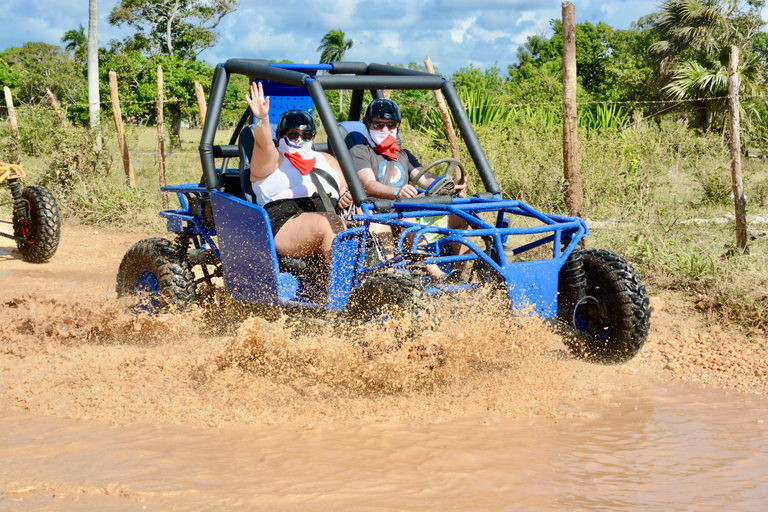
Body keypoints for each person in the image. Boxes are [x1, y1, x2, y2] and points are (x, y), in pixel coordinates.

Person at [349, 98, 468, 282]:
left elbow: (427, 180)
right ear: (368, 125)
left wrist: (451, 186)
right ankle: (436, 274)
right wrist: (397, 193)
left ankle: (459, 275)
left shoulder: (403, 155)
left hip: (408, 212)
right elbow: (367, 184)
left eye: (391, 125)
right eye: (378, 125)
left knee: (465, 216)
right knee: (406, 215)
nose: (385, 130)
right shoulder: (361, 151)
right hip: (377, 214)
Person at [245, 81, 353, 262]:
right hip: (285, 220)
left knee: (377, 222)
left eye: (306, 135)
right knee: (331, 224)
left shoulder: (326, 159)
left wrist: (346, 197)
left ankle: (394, 278)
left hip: (330, 214)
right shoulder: (273, 160)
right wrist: (262, 119)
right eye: (293, 135)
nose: (300, 140)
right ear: (279, 136)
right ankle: (345, 289)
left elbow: (344, 189)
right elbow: (264, 145)